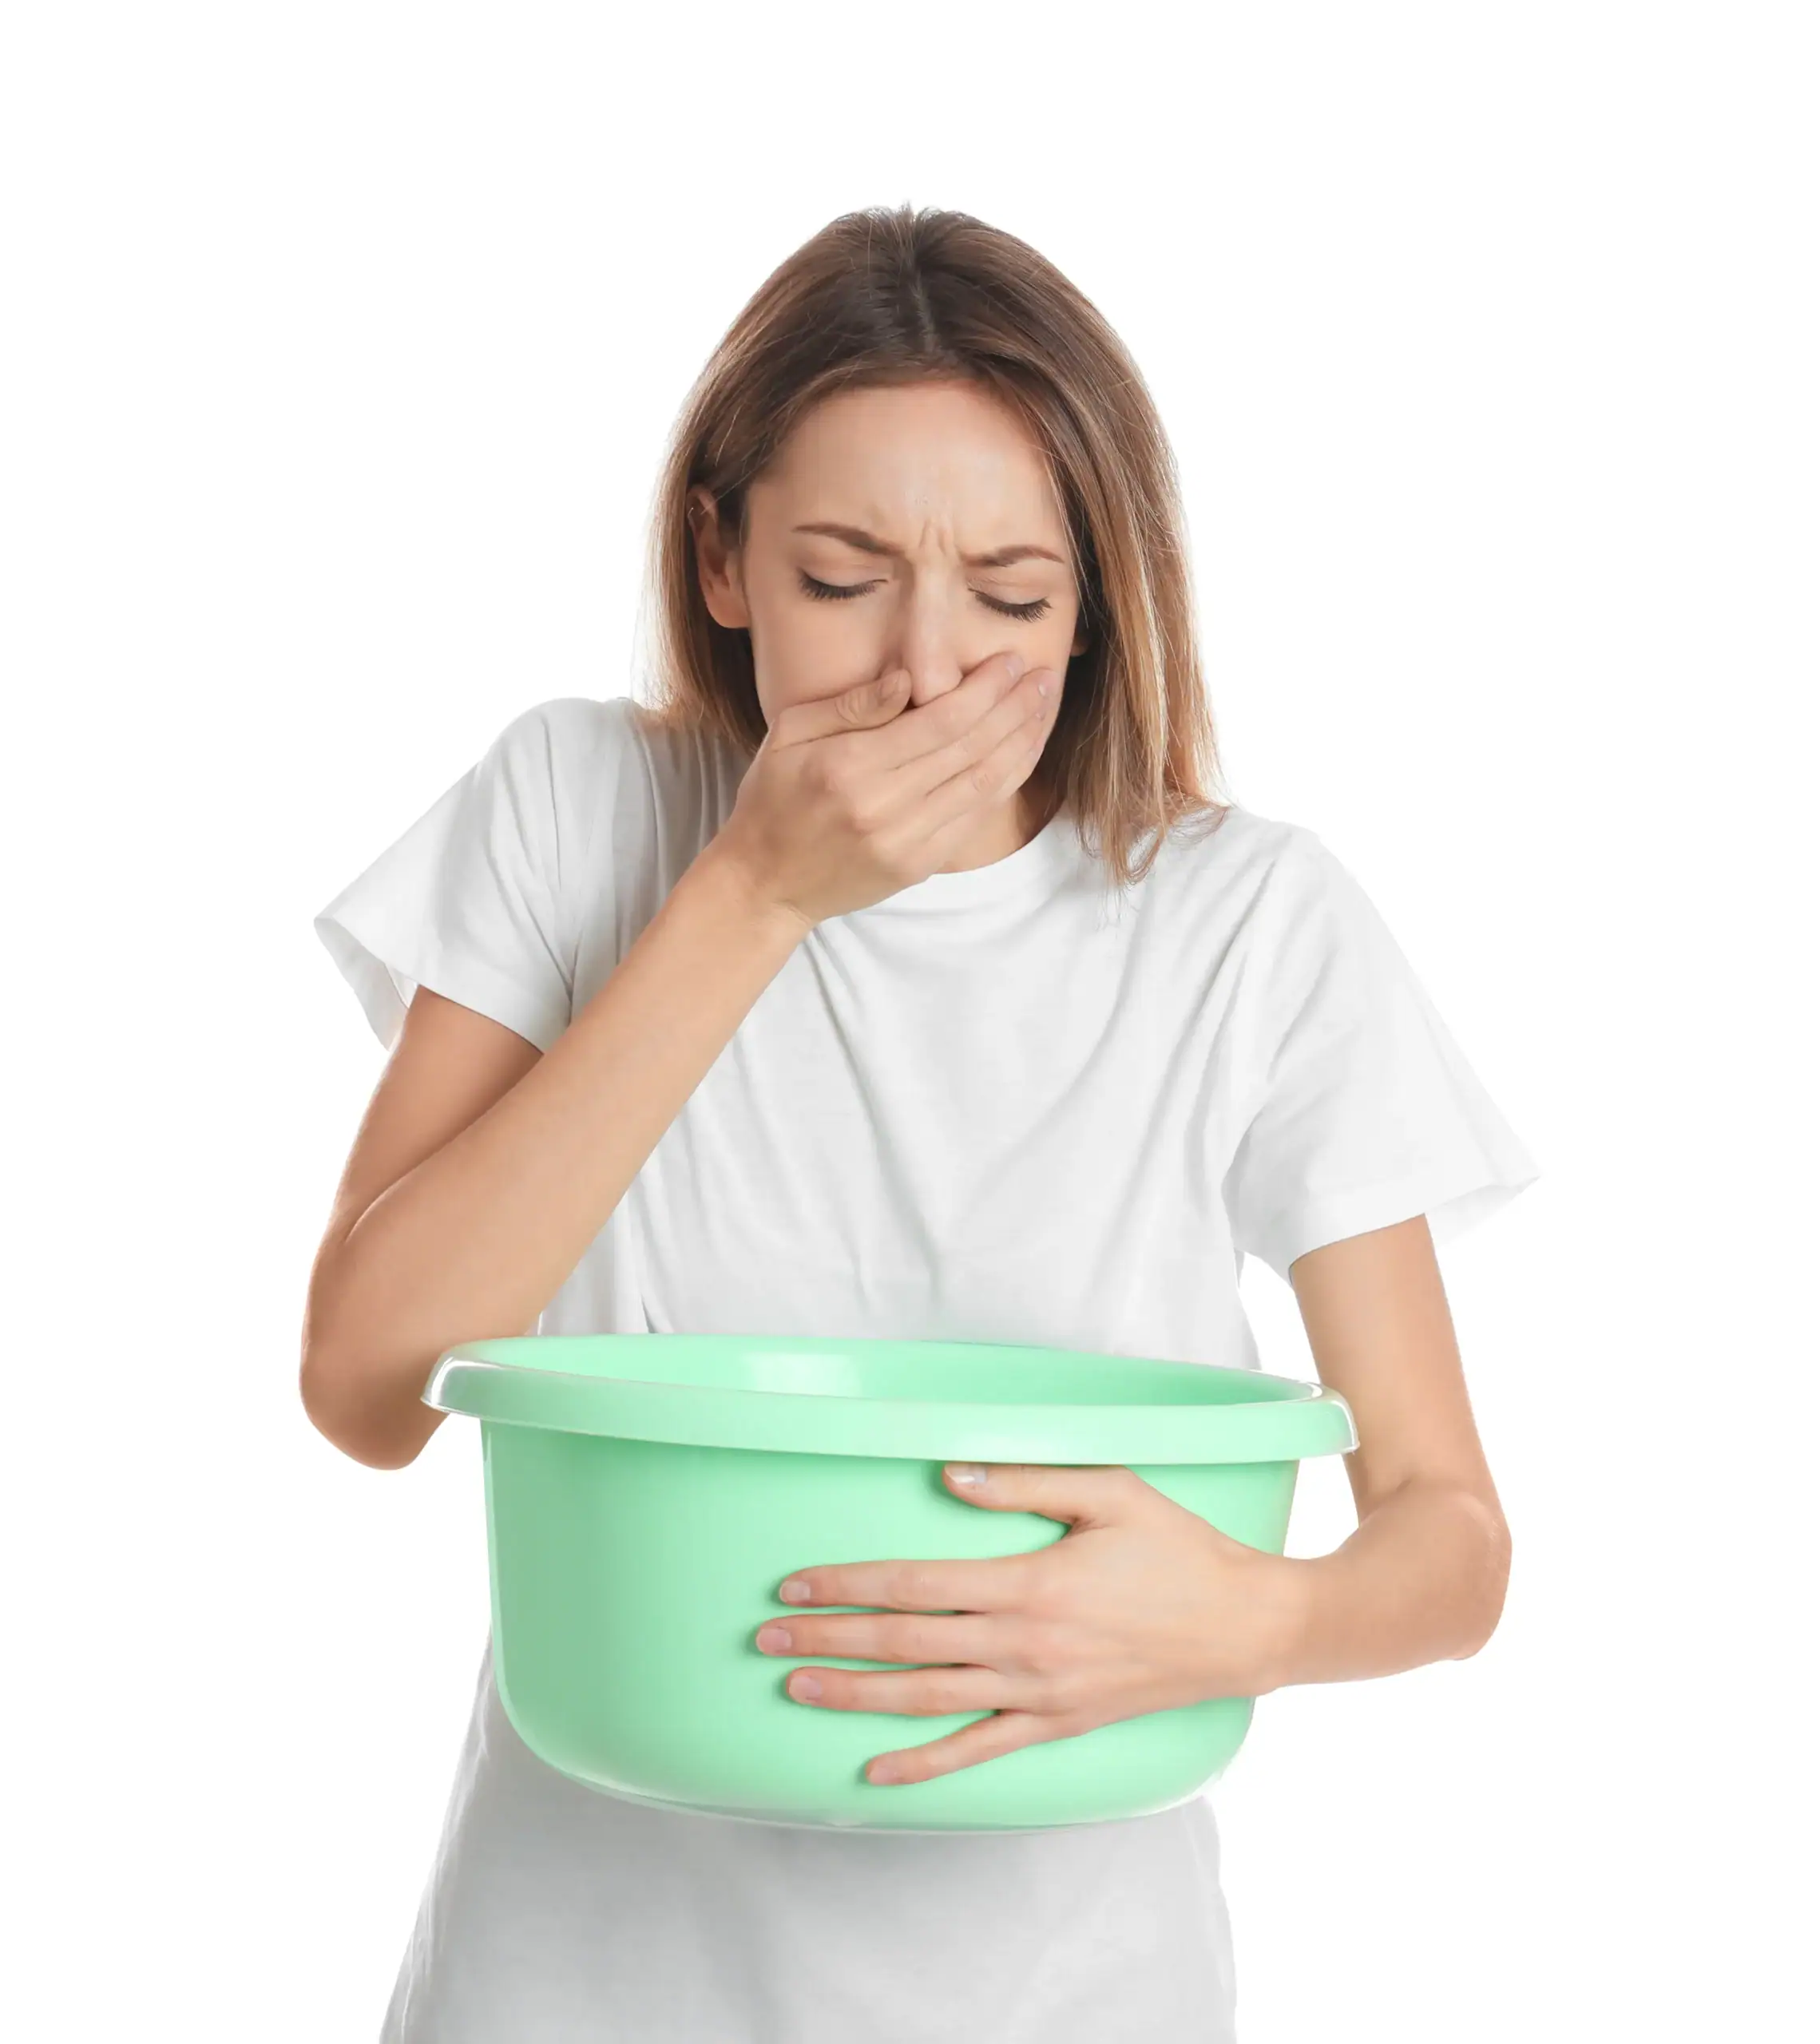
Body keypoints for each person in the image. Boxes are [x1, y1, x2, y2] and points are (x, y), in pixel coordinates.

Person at [302, 204, 1540, 2043]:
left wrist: (1241, 1622)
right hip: (569, 1980)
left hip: (1066, 1988)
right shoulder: (579, 809)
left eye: (1013, 597)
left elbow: (1448, 1535)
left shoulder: (1251, 924)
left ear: (1098, 601)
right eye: (839, 574)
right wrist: (750, 897)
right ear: (720, 558)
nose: (926, 664)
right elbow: (366, 1380)